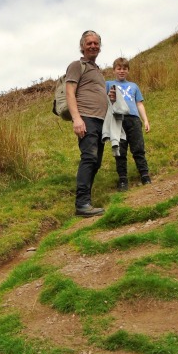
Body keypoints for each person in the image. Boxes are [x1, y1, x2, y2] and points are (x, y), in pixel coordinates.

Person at [66, 30, 113, 217]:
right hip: (86, 118)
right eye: (89, 43)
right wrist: (77, 118)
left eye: (96, 43)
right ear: (82, 46)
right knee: (89, 158)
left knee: (96, 162)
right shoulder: (77, 65)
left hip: (102, 121)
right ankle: (82, 204)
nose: (93, 46)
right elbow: (70, 92)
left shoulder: (97, 71)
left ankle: (86, 202)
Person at [106, 57, 151, 190]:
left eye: (124, 69)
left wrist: (146, 120)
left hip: (134, 120)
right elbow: (103, 100)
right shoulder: (108, 84)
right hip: (117, 120)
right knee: (120, 150)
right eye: (119, 68)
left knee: (138, 148)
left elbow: (139, 103)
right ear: (114, 70)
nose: (122, 71)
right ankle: (123, 180)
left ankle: (144, 175)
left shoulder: (133, 86)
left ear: (128, 71)